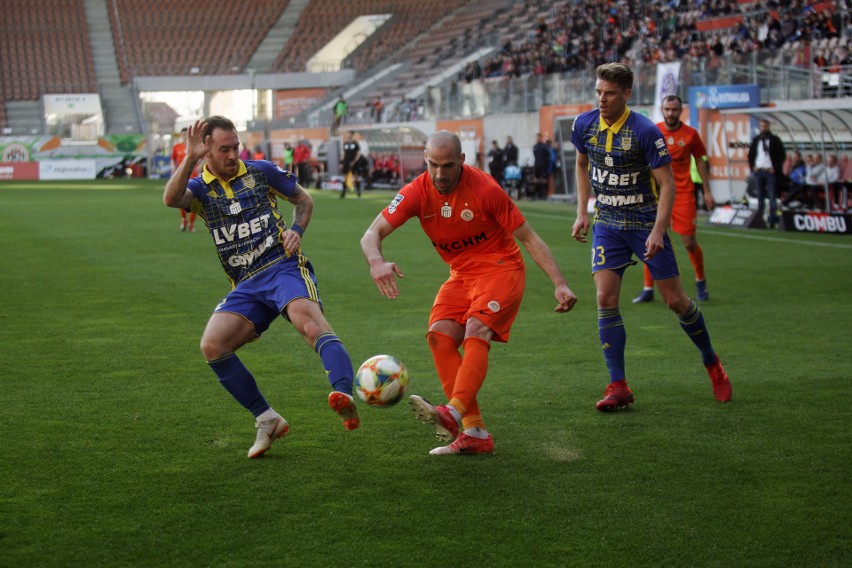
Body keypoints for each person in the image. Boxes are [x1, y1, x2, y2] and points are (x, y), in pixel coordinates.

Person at [361, 130, 577, 455]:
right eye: (433, 165)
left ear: (462, 160)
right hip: (461, 275)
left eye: (447, 166)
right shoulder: (416, 191)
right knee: (439, 336)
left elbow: (529, 237)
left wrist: (559, 282)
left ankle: (453, 411)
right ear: (425, 159)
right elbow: (371, 233)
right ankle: (475, 432)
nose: (439, 174)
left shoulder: (485, 188)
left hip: (501, 267)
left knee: (477, 328)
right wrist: (376, 261)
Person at [162, 116, 360, 459]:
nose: (232, 154)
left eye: (235, 146)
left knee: (310, 325)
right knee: (213, 345)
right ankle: (266, 418)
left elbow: (304, 200)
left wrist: (297, 229)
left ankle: (344, 394)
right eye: (224, 149)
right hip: (246, 283)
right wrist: (190, 158)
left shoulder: (261, 171)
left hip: (281, 266)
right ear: (207, 149)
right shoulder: (200, 189)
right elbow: (171, 198)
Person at [570, 63, 731, 412]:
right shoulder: (584, 125)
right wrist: (583, 211)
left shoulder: (644, 130)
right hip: (608, 224)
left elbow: (669, 185)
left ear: (626, 94)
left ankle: (711, 362)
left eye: (609, 93)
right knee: (604, 298)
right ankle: (618, 385)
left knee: (675, 301)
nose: (601, 98)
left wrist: (658, 230)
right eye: (598, 91)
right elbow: (582, 164)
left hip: (644, 223)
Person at [634, 95, 715, 304]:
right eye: (667, 109)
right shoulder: (654, 131)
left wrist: (706, 190)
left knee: (688, 243)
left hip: (683, 194)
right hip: (657, 195)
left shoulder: (690, 134)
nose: (671, 113)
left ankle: (700, 280)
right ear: (662, 110)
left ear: (681, 111)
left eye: (675, 109)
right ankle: (647, 289)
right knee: (652, 239)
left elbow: (700, 160)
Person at [747, 119, 786, 229]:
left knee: (772, 196)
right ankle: (759, 220)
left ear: (768, 127)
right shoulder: (756, 140)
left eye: (765, 126)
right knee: (760, 197)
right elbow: (750, 156)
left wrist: (775, 168)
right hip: (759, 171)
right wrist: (752, 167)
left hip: (770, 171)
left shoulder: (775, 140)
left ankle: (772, 219)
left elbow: (782, 155)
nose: (763, 128)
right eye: (761, 126)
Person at [171, 127, 196, 232]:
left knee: (194, 201)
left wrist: (199, 166)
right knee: (180, 199)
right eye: (183, 134)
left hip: (193, 176)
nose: (184, 136)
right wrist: (173, 169)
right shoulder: (177, 147)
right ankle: (184, 220)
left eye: (186, 134)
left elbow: (204, 158)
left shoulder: (194, 146)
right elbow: (172, 159)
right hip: (182, 177)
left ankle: (191, 224)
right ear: (181, 136)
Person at [340, 131, 361, 199]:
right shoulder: (345, 143)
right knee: (345, 177)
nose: (348, 135)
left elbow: (358, 154)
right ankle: (343, 192)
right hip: (346, 162)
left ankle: (358, 192)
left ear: (352, 135)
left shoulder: (355, 143)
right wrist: (342, 162)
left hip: (353, 162)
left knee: (355, 177)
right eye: (347, 134)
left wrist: (354, 161)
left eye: (349, 134)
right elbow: (343, 153)